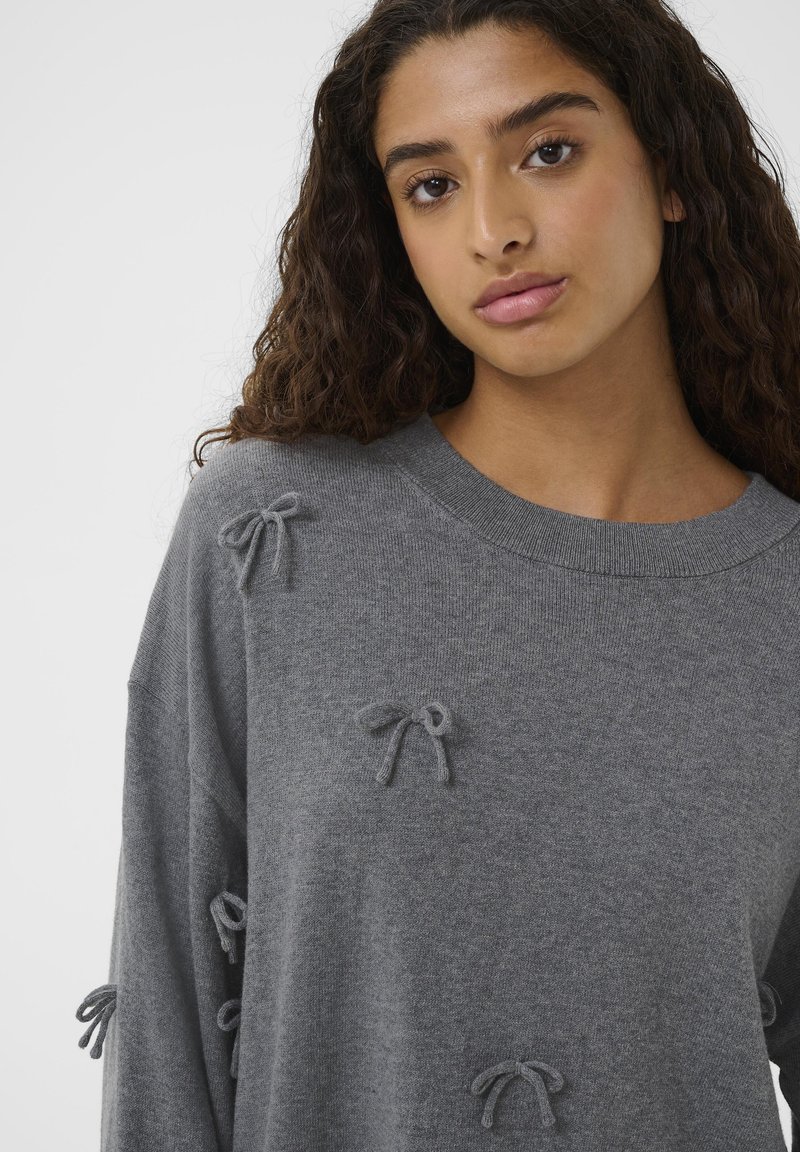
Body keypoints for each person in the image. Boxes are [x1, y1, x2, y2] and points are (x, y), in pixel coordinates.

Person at [75, 1, 800, 1149]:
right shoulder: (271, 534)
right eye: (429, 185)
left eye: (547, 152)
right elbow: (166, 1006)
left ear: (669, 168)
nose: (492, 230)